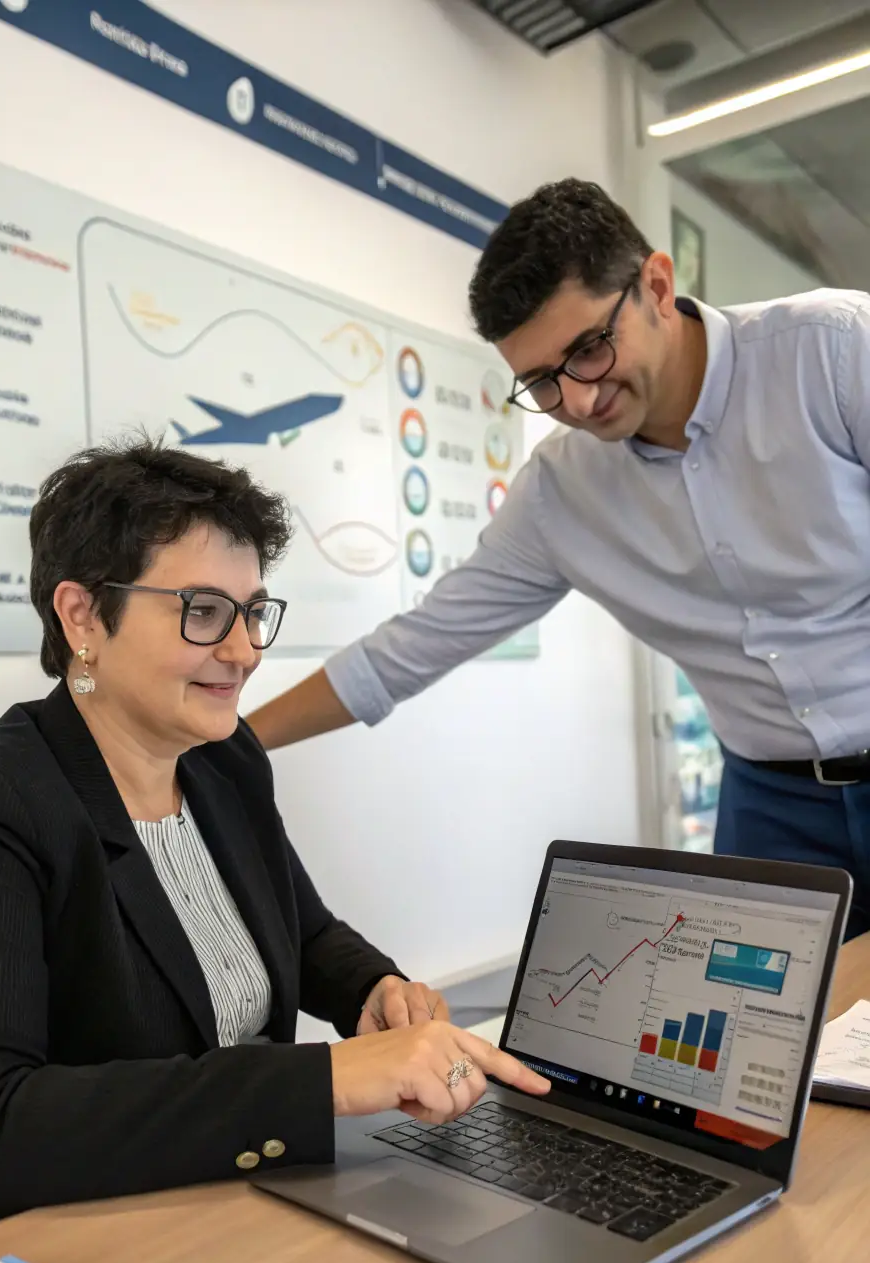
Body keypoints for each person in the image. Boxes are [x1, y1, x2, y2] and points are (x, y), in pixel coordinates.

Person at [0, 440, 548, 1256]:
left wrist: (375, 988)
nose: (246, 649)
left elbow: (304, 930)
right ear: (82, 615)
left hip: (217, 1206)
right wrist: (324, 1079)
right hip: (19, 1254)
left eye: (253, 610)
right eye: (203, 611)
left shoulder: (223, 759)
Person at [247, 178, 870, 941]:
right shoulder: (560, 492)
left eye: (588, 349)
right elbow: (411, 648)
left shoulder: (834, 352)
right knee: (765, 1045)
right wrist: (231, 741)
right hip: (769, 805)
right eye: (542, 381)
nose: (576, 401)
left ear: (658, 286)